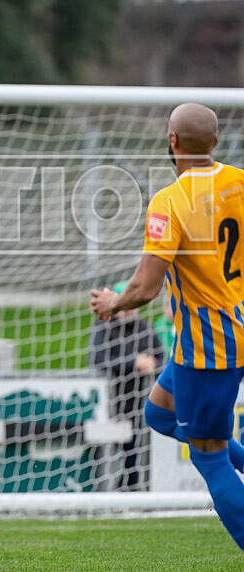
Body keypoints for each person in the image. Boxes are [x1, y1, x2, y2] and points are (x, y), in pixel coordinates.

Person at [90, 103, 244, 550]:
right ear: (216, 141)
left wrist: (112, 301)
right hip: (227, 329)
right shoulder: (240, 182)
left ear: (172, 141)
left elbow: (145, 288)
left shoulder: (170, 201)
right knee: (158, 414)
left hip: (208, 344)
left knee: (209, 456)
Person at [88, 280, 165, 490]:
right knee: (111, 452)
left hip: (140, 403)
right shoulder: (103, 328)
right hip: (111, 404)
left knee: (136, 452)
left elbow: (162, 359)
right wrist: (134, 363)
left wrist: (153, 365)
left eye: (131, 307)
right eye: (124, 306)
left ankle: (134, 489)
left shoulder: (145, 329)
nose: (128, 311)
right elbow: (97, 359)